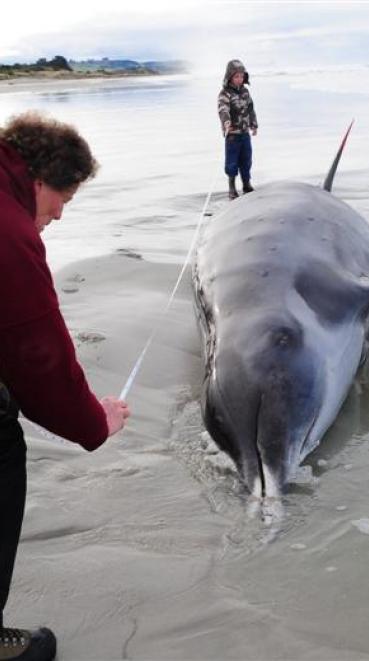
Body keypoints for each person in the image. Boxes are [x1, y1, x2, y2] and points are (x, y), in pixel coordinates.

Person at [0, 111, 130, 660]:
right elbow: (39, 357)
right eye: (64, 201)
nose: (58, 216)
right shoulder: (10, 234)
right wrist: (95, 422)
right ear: (42, 180)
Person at [217, 59, 258, 200]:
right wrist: (226, 122)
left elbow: (251, 109)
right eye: (236, 76)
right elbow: (223, 109)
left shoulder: (246, 92)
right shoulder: (225, 94)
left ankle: (246, 184)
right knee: (232, 162)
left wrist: (254, 124)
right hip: (233, 135)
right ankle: (232, 188)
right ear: (229, 77)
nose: (239, 79)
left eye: (241, 76)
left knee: (246, 160)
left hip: (245, 133)